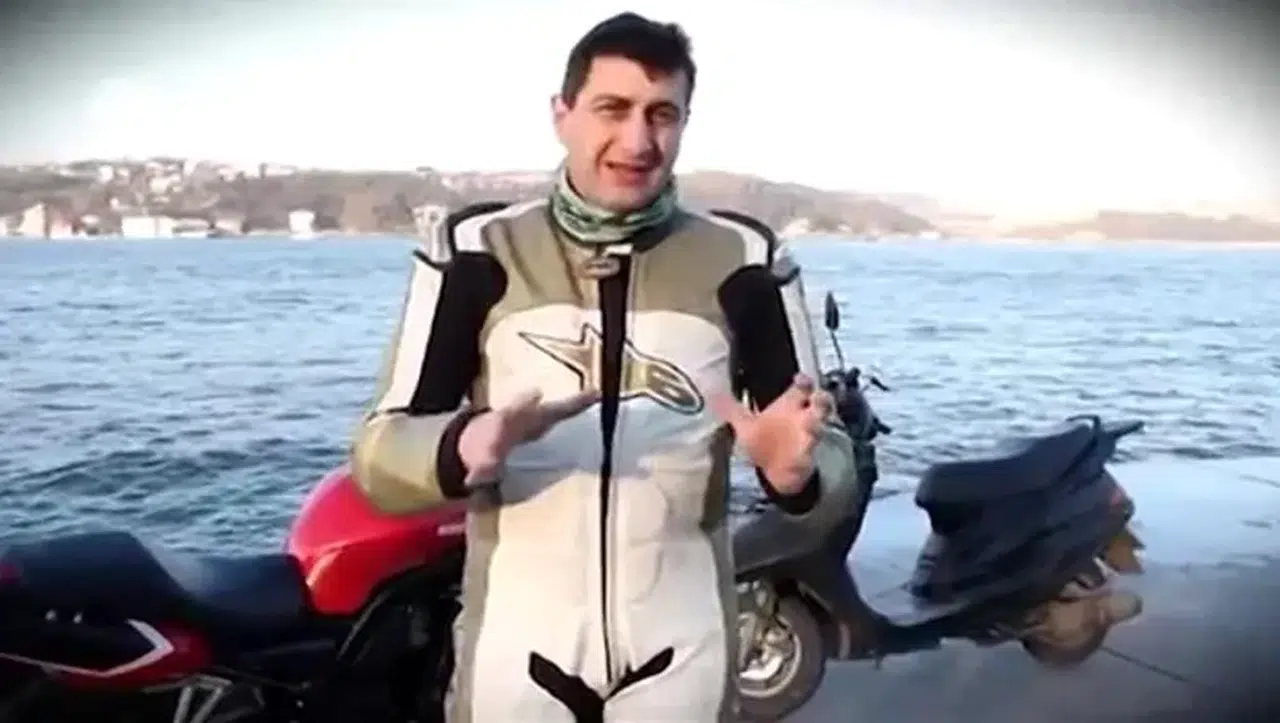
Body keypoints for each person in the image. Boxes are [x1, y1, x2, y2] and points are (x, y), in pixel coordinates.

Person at [350, 11, 856, 723]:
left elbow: (832, 466)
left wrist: (799, 475)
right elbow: (378, 460)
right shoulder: (475, 254)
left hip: (684, 653)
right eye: (612, 109)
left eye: (662, 114)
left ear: (685, 123)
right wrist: (459, 446)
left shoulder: (747, 263)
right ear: (562, 115)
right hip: (516, 658)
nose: (639, 141)